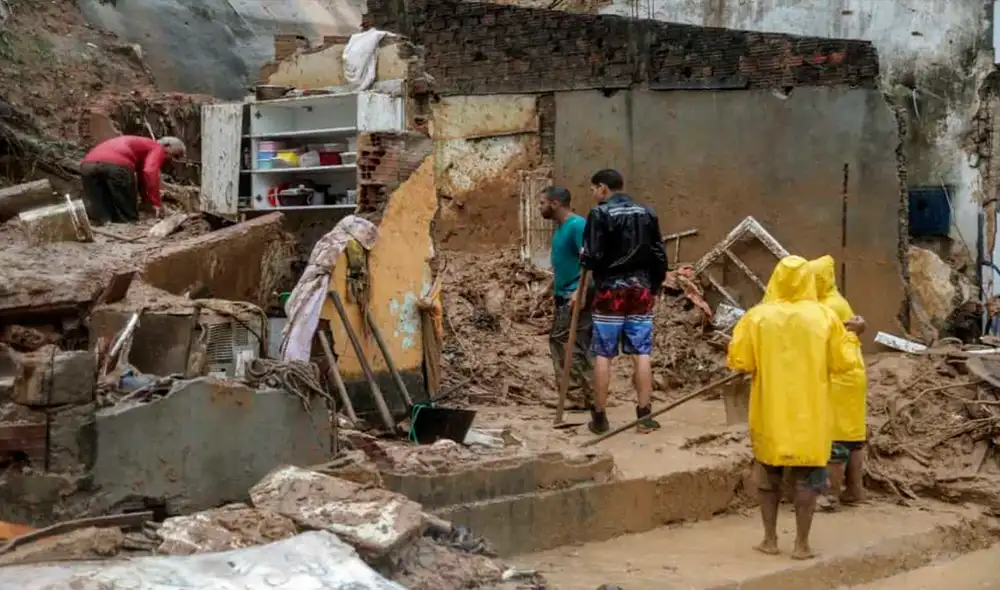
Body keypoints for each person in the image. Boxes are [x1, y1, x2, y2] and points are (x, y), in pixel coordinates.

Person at [728, 255, 858, 560]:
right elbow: (844, 364)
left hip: (770, 412)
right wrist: (853, 335)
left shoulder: (757, 317)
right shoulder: (825, 317)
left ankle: (770, 540)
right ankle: (801, 545)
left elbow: (740, 361)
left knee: (768, 475)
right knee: (808, 478)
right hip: (810, 415)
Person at [580, 169, 668, 435]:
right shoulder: (647, 213)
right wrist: (651, 286)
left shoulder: (599, 213)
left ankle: (600, 418)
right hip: (640, 289)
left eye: (594, 189)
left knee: (603, 353)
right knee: (642, 352)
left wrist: (586, 260)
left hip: (609, 291)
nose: (594, 195)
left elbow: (591, 257)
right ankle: (644, 416)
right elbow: (659, 255)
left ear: (604, 188)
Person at [808, 255, 868, 510]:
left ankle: (830, 495)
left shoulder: (828, 307)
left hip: (839, 378)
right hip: (854, 375)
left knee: (835, 437)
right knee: (853, 437)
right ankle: (855, 490)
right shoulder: (836, 301)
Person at [539, 186, 594, 411]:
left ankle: (574, 395)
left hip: (576, 295)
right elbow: (566, 263)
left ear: (555, 204)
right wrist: (549, 286)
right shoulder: (562, 229)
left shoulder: (576, 226)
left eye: (542, 202)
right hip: (564, 293)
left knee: (563, 342)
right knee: (574, 343)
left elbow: (590, 260)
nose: (540, 207)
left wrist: (579, 292)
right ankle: (588, 395)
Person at [80, 135, 186, 224]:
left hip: (87, 165)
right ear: (167, 145)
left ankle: (105, 224)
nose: (171, 160)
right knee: (126, 210)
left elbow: (143, 178)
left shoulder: (141, 147)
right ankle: (128, 225)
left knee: (99, 205)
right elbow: (150, 171)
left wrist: (146, 199)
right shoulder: (157, 147)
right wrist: (157, 203)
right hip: (116, 164)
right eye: (175, 155)